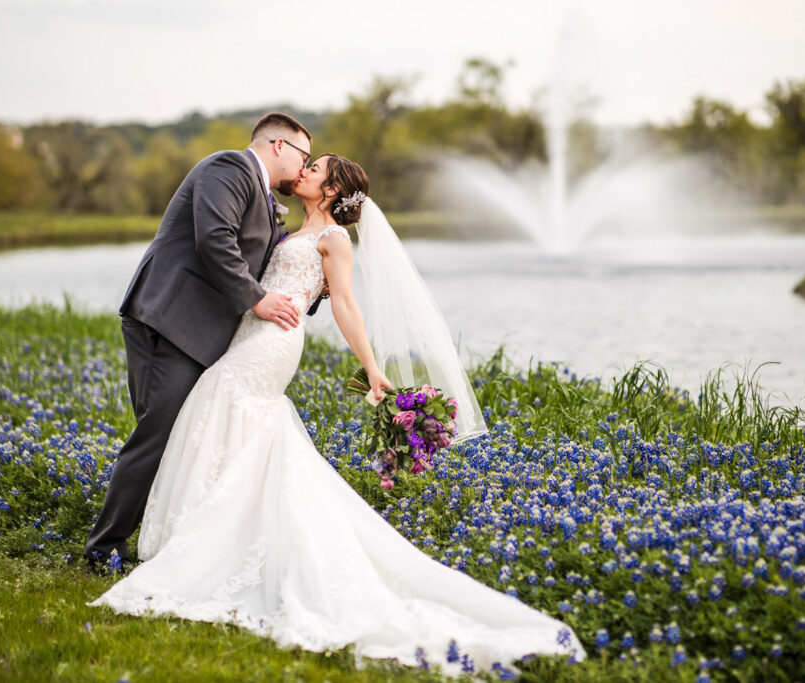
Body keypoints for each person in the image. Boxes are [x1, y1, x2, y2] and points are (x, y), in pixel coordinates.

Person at [89, 154, 582, 675]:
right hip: (249, 334)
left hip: (274, 342)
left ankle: (209, 542)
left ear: (332, 188)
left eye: (316, 167)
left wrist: (372, 369)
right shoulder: (288, 229)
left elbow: (345, 303)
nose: (303, 170)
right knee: (228, 417)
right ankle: (211, 534)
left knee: (227, 402)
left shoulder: (335, 240)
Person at [83, 113, 312, 567]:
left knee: (178, 436)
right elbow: (215, 238)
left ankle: (162, 542)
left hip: (197, 333)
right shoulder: (229, 168)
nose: (304, 169)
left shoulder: (265, 198)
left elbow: (271, 261)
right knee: (157, 434)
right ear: (280, 146)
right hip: (168, 320)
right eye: (304, 157)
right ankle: (103, 548)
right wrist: (257, 300)